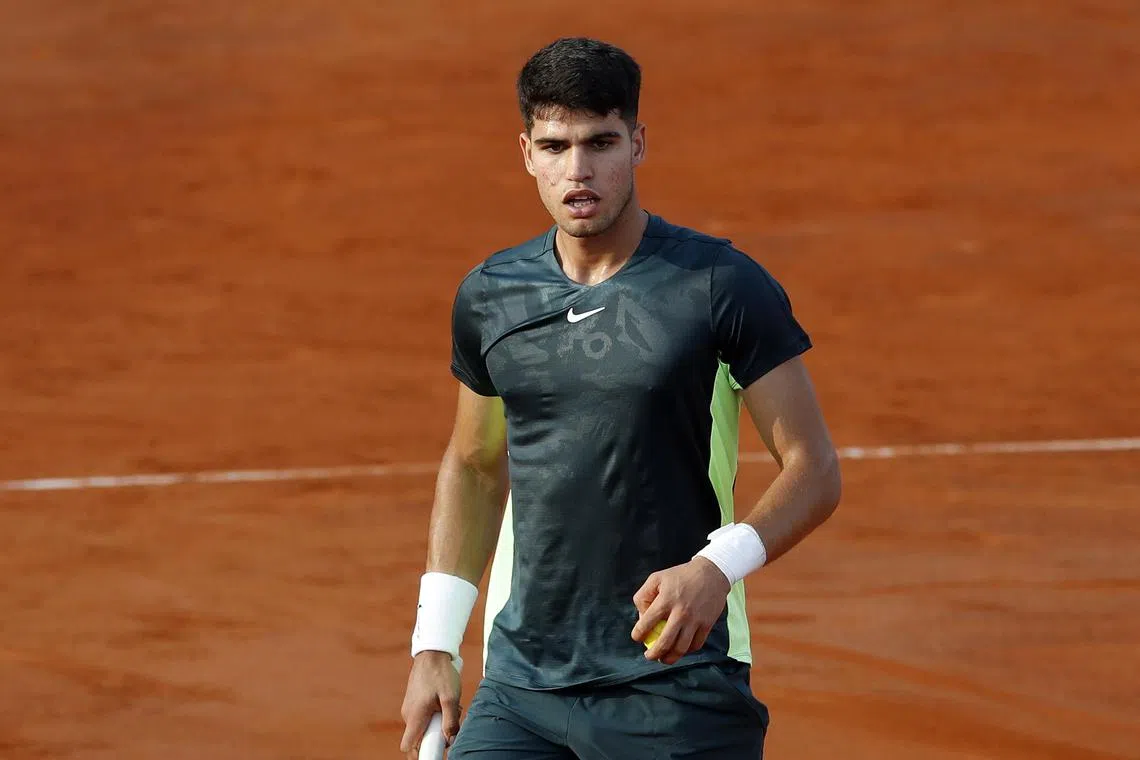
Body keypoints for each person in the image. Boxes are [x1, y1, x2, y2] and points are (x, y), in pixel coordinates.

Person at [400, 37, 841, 759]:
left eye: (601, 142)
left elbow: (814, 468)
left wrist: (715, 569)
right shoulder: (492, 295)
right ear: (526, 153)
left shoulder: (716, 285)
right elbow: (476, 465)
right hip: (522, 688)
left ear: (637, 143)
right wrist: (434, 644)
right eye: (555, 145)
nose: (578, 169)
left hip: (676, 681)